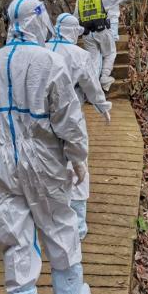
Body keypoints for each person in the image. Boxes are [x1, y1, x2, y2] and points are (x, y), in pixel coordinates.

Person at [0, 0, 91, 294]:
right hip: (45, 158)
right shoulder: (48, 62)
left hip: (4, 158)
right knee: (59, 224)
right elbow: (68, 119)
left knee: (14, 233)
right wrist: (77, 157)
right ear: (38, 20)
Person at [46, 13, 112, 240]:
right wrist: (102, 106)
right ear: (74, 32)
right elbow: (91, 85)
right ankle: (78, 225)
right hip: (70, 114)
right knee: (77, 161)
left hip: (40, 118)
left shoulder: (41, 49)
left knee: (50, 161)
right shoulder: (79, 55)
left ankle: (53, 218)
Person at [75, 0, 148, 91]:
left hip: (87, 34)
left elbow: (75, 19)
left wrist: (79, 32)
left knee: (93, 59)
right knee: (110, 53)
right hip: (102, 31)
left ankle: (92, 86)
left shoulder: (79, 0)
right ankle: (104, 77)